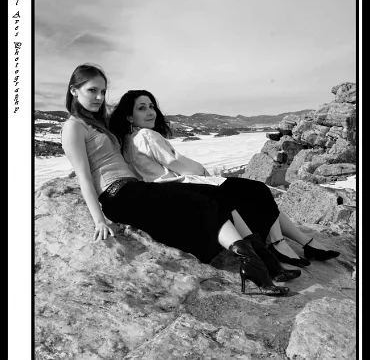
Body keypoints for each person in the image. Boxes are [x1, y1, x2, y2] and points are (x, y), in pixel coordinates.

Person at [61, 63, 292, 297]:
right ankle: (253, 267)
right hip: (116, 194)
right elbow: (83, 177)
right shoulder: (73, 127)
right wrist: (98, 220)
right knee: (200, 204)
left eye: (102, 91)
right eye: (92, 90)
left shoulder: (97, 123)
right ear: (73, 90)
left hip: (135, 188)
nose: (99, 97)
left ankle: (264, 262)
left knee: (215, 195)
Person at [108, 89, 341, 268]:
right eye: (142, 108)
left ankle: (302, 243)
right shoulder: (147, 135)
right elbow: (175, 162)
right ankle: (282, 244)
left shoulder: (127, 140)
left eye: (151, 106)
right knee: (257, 190)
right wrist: (203, 171)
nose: (150, 112)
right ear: (129, 116)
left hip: (169, 187)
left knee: (254, 193)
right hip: (180, 185)